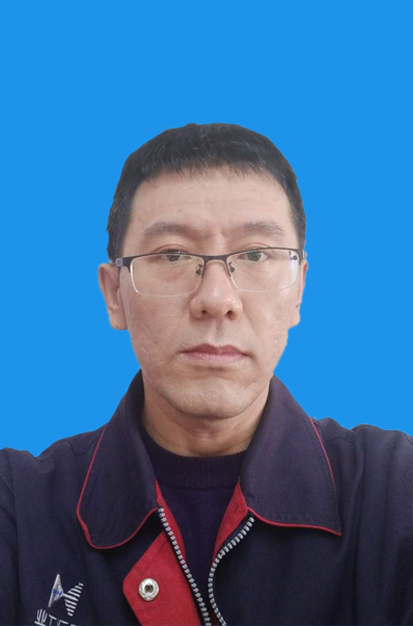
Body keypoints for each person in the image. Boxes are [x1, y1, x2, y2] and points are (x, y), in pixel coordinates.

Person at [1, 123, 412, 626]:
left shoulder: (393, 490)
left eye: (255, 254)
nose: (216, 299)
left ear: (299, 288)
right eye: (172, 255)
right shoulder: (20, 508)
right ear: (114, 295)